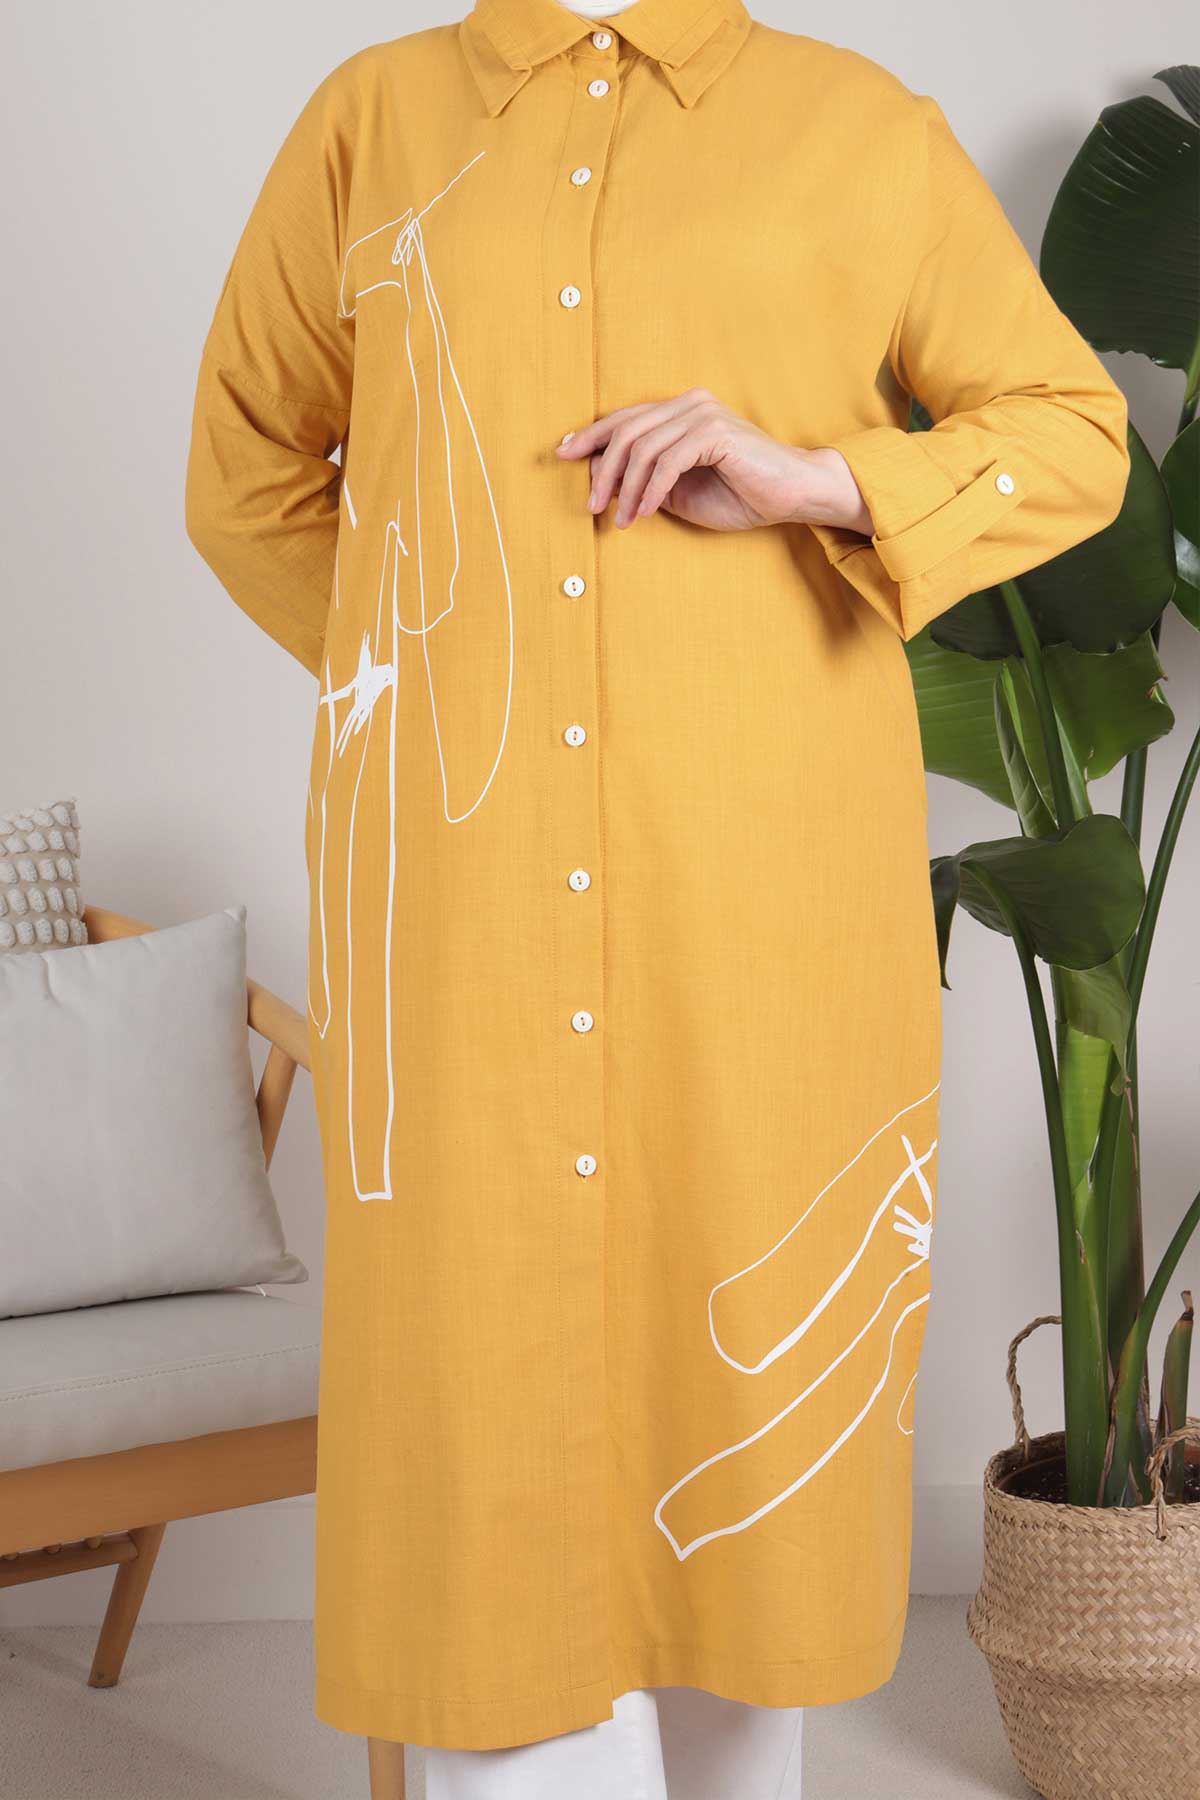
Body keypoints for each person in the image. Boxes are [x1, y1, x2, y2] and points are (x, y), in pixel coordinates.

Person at [184, 0, 1130, 1793]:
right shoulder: (374, 120)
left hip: (766, 899)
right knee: (484, 1421)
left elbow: (1073, 429)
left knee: (747, 1452)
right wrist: (440, 689)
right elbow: (245, 479)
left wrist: (819, 479)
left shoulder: (860, 127)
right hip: (461, 916)